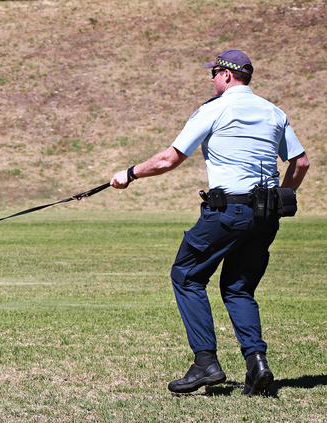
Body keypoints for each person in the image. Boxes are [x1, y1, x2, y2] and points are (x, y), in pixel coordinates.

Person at [110, 49, 310, 395]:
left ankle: (206, 363)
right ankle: (257, 364)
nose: (211, 79)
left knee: (186, 275)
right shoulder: (274, 112)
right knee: (238, 288)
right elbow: (301, 163)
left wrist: (129, 174)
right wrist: (278, 197)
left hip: (228, 211)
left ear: (227, 75)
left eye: (213, 73)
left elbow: (168, 159)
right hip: (265, 216)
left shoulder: (214, 109)